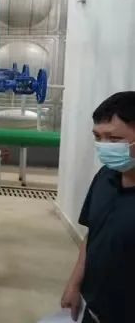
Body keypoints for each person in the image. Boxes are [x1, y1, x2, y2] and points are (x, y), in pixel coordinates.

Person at [61, 91, 135, 322]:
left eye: (114, 139)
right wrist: (74, 284)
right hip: (91, 311)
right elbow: (93, 234)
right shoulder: (105, 176)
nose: (104, 146)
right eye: (98, 137)